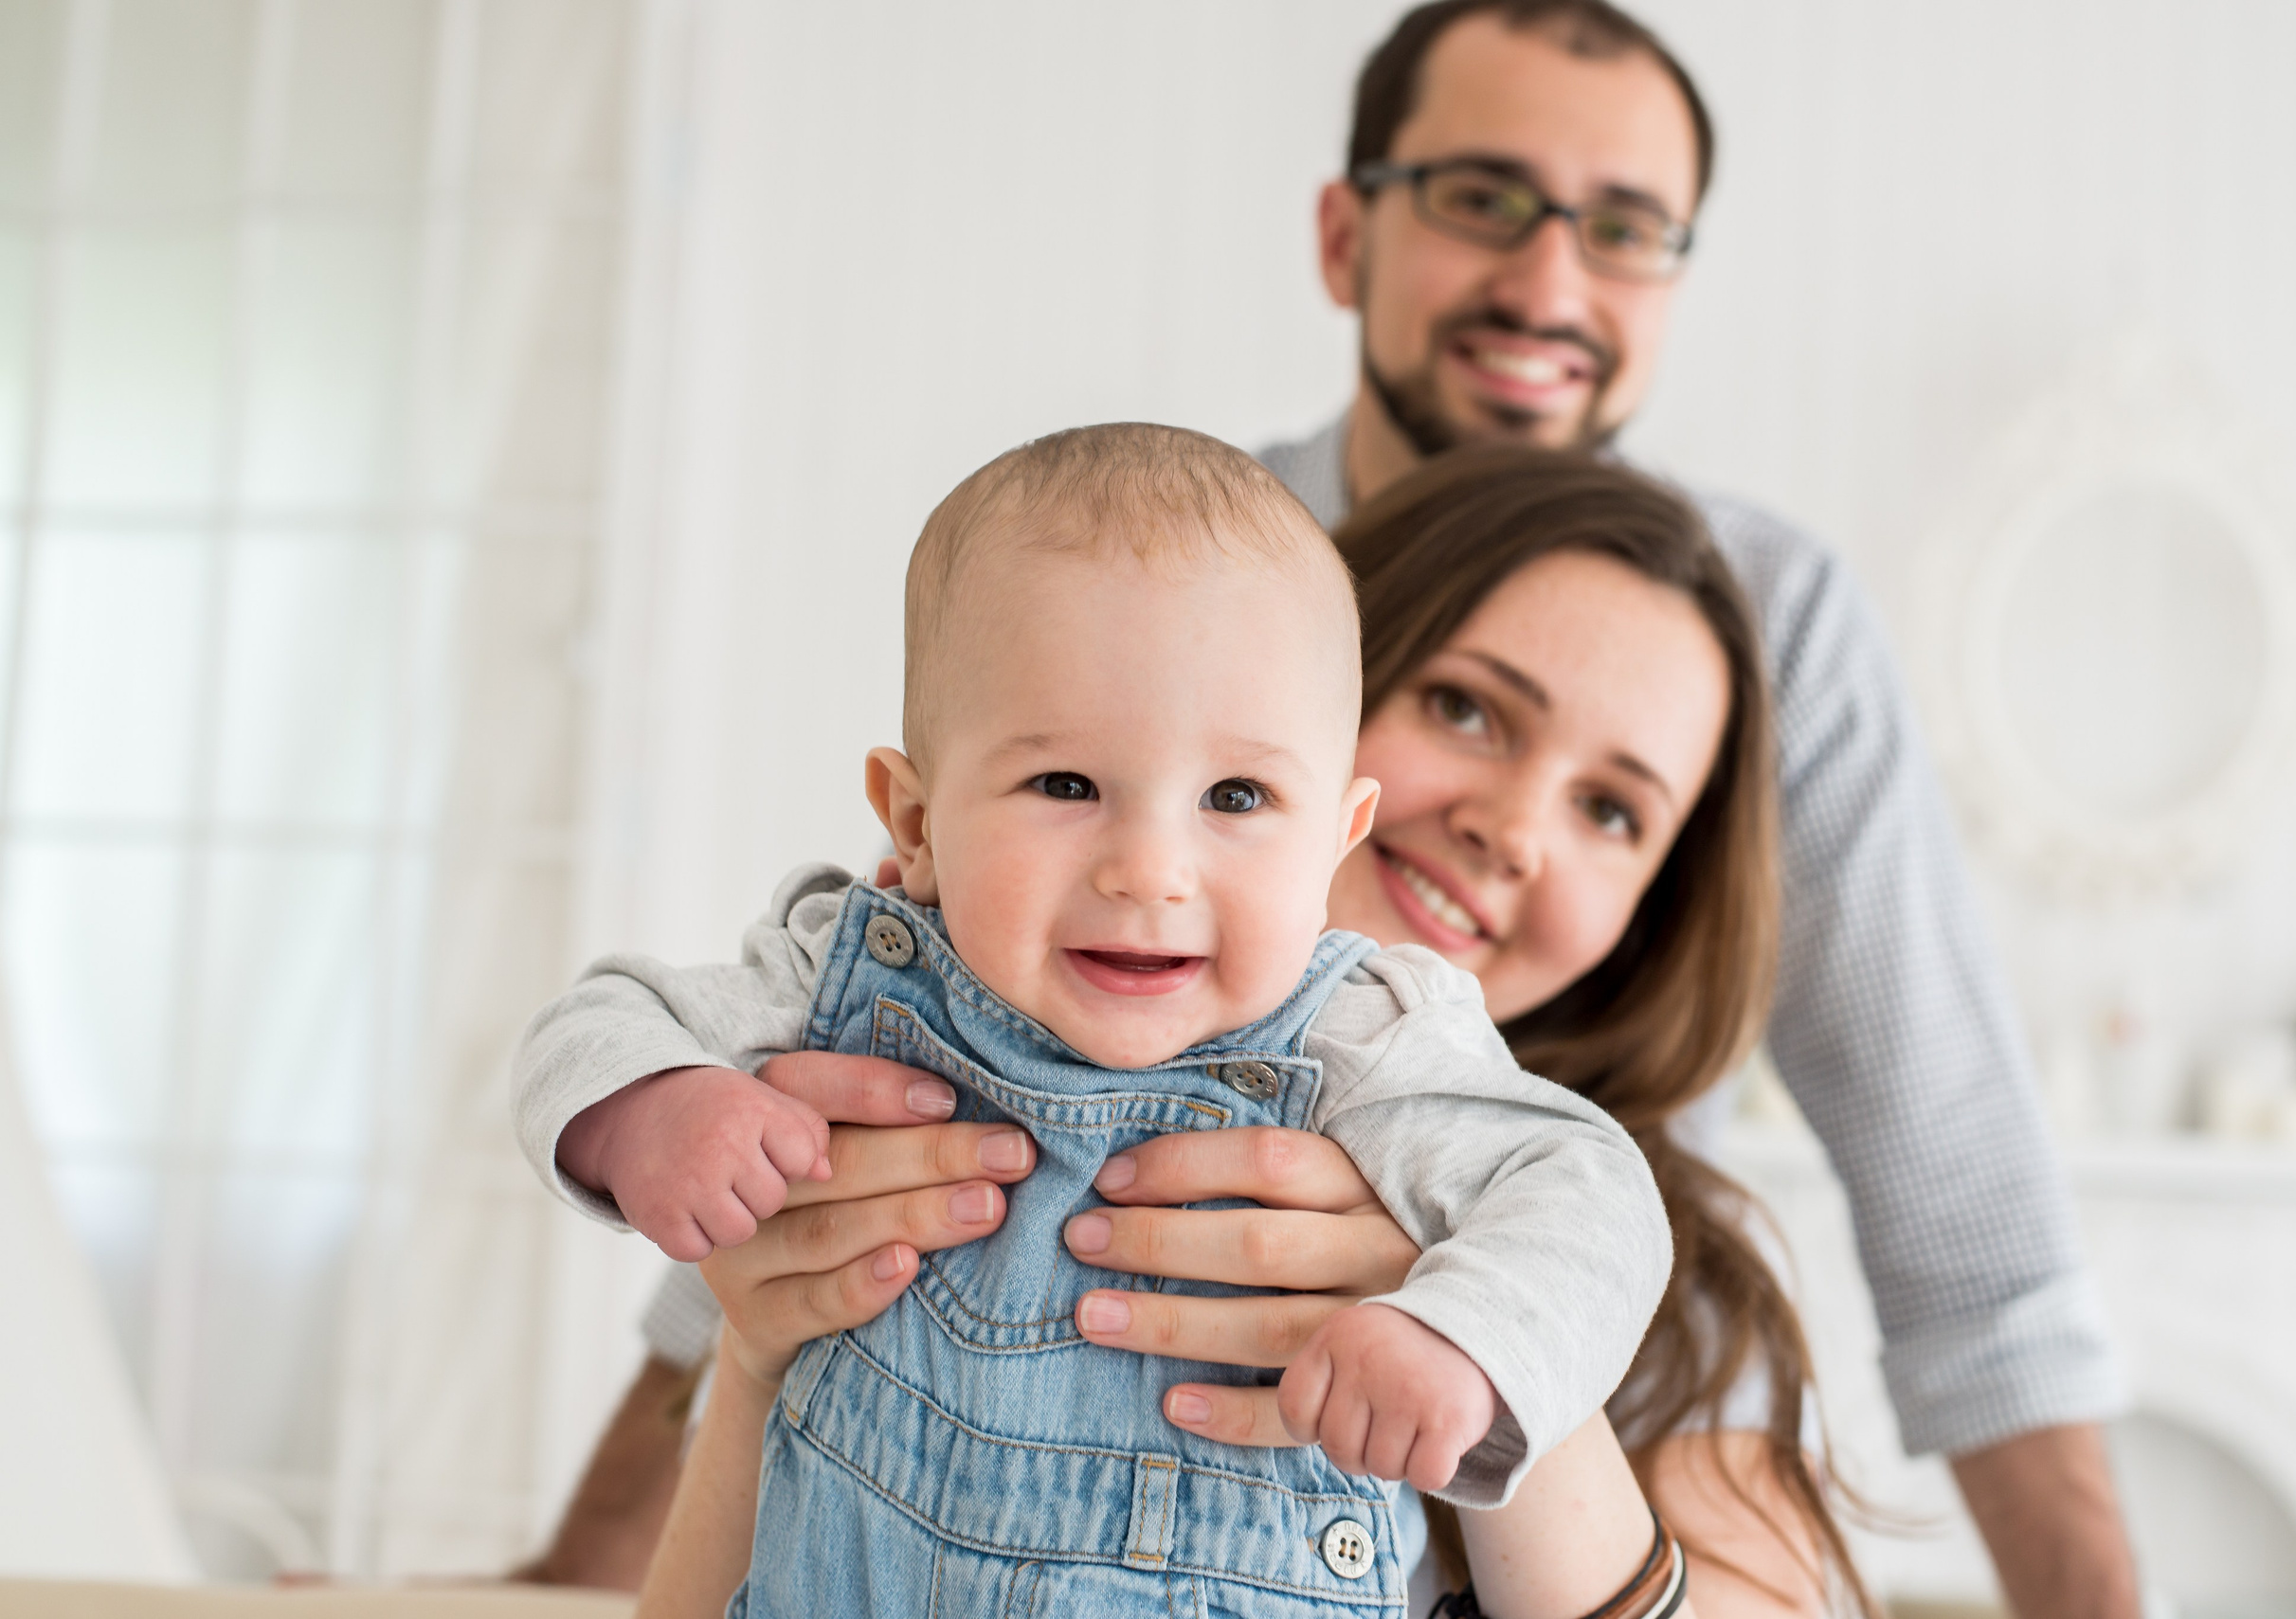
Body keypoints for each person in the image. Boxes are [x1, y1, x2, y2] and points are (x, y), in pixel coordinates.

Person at [630, 442, 1866, 1618]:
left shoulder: (1692, 1309)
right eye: (1467, 708)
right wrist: (756, 1359)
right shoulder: (901, 1065)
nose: (1516, 828)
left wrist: (1473, 1324)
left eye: (1610, 808)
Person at [1252, 3, 2138, 1615]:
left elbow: (1964, 1213)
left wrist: (1487, 1305)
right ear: (1345, 231)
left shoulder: (1775, 619)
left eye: (1627, 228)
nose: (1548, 282)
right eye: (1480, 197)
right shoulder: (1189, 561)